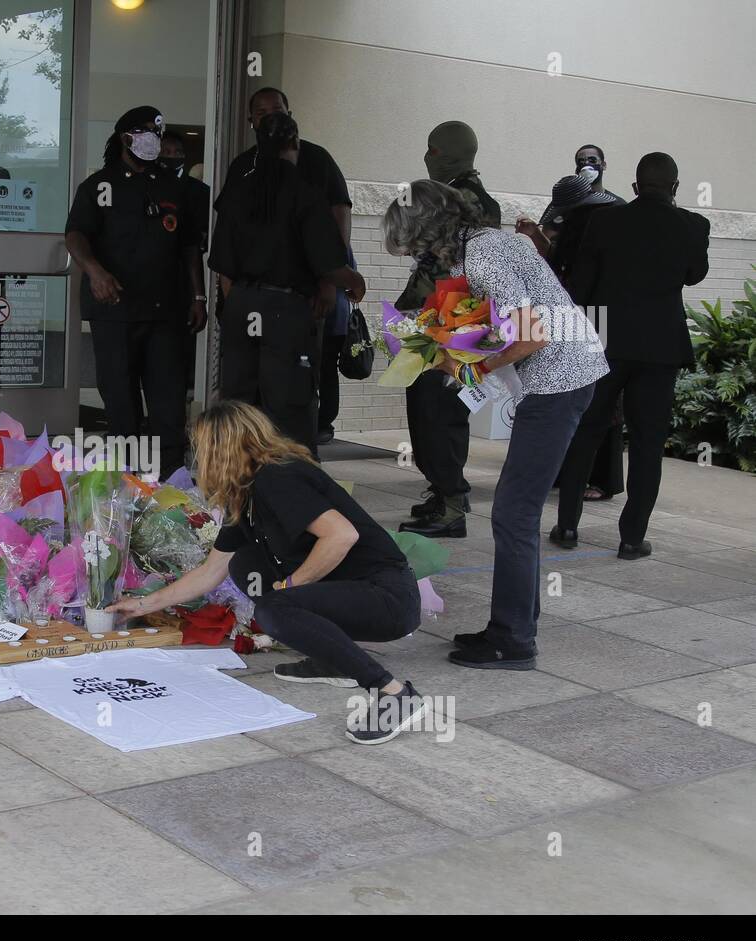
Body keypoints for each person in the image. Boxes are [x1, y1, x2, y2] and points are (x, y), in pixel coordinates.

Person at [107, 401, 425, 745]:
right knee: (244, 563)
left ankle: (394, 693)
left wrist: (291, 588)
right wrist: (142, 605)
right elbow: (211, 570)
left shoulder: (278, 476)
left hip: (388, 598)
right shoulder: (246, 492)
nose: (197, 458)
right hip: (356, 592)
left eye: (200, 447)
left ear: (222, 448)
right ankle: (333, 660)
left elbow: (341, 535)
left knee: (274, 609)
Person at [384, 180, 608, 669]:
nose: (413, 257)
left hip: (557, 380)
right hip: (569, 370)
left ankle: (513, 639)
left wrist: (468, 368)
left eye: (412, 245)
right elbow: (505, 322)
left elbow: (531, 336)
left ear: (427, 232)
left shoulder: (484, 257)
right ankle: (515, 623)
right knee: (517, 512)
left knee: (514, 512)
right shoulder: (490, 242)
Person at [551, 153, 711, 558]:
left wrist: (573, 340)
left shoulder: (603, 221)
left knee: (586, 431)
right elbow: (694, 274)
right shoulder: (693, 225)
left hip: (605, 343)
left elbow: (582, 288)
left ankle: (567, 526)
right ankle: (631, 538)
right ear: (675, 188)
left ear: (636, 186)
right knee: (647, 441)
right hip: (660, 348)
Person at [65, 106, 206, 478]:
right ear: (126, 137)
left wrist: (198, 296)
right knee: (121, 402)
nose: (153, 139)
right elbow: (75, 234)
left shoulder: (175, 187)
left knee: (169, 402)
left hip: (166, 312)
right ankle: (126, 482)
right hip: (115, 311)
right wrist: (94, 272)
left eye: (158, 132)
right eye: (145, 131)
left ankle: (173, 479)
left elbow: (191, 247)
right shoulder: (98, 185)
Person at [209, 112, 365, 449]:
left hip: (241, 305)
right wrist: (353, 280)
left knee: (239, 400)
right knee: (289, 404)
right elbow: (328, 263)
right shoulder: (303, 193)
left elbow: (222, 263)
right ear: (294, 143)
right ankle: (290, 481)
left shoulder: (237, 192)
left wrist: (238, 303)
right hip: (286, 308)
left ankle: (234, 477)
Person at [397, 121, 501, 538]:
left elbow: (446, 263)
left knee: (436, 413)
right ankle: (443, 492)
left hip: (447, 322)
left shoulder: (462, 198)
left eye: (434, 151)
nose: (428, 158)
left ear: (452, 153)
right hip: (448, 318)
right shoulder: (467, 194)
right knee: (432, 412)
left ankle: (452, 503)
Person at [522, 174, 625, 506]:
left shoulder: (591, 229)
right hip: (587, 316)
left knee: (597, 399)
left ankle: (596, 477)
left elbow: (568, 274)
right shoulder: (587, 227)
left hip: (592, 316)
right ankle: (576, 473)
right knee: (589, 396)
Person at [160, 129, 212, 396]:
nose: (171, 157)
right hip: (154, 280)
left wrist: (198, 297)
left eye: (176, 153)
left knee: (180, 350)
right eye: (165, 152)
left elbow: (202, 236)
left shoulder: (200, 192)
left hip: (185, 277)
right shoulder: (149, 185)